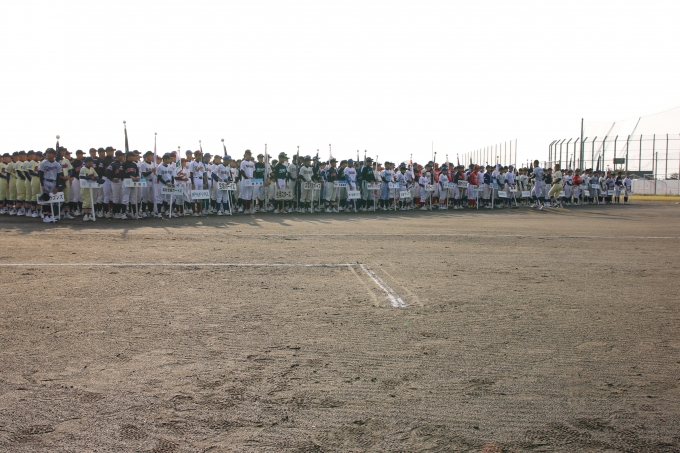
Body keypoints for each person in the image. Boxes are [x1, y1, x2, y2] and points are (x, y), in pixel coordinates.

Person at [38, 148, 62, 223]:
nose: (48, 154)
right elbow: (40, 174)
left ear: (54, 155)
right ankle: (45, 216)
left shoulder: (57, 165)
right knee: (45, 199)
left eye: (50, 153)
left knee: (51, 200)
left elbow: (58, 176)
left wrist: (57, 186)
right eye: (47, 153)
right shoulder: (43, 163)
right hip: (45, 181)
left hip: (53, 182)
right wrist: (42, 184)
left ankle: (50, 215)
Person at [79, 157, 98, 221]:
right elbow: (82, 176)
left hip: (90, 186)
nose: (92, 163)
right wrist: (90, 178)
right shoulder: (83, 168)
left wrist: (96, 179)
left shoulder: (92, 169)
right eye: (91, 161)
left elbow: (96, 176)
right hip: (84, 187)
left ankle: (89, 215)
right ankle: (85, 215)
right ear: (88, 162)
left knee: (90, 201)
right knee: (86, 201)